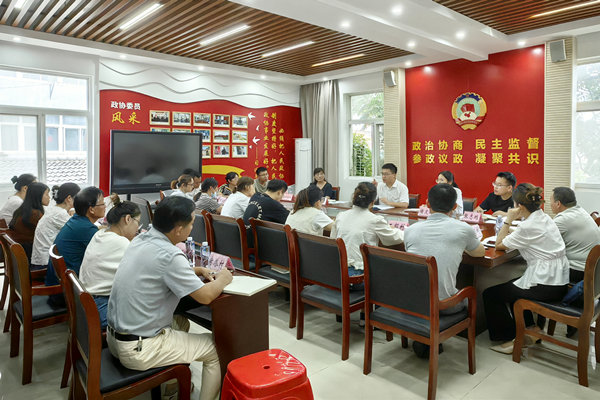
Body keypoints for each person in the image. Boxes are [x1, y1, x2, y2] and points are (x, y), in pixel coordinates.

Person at [106, 196, 232, 400]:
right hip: (139, 348)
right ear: (179, 229)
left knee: (180, 321)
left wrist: (197, 270)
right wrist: (224, 279)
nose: (193, 227)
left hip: (116, 339)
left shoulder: (140, 239)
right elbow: (206, 296)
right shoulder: (171, 255)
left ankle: (170, 388)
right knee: (216, 348)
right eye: (191, 223)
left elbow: (159, 269)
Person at [483, 183, 569, 354]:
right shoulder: (544, 217)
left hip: (546, 284)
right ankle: (531, 328)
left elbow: (499, 244)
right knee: (515, 286)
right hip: (558, 279)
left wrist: (508, 219)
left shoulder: (528, 227)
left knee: (491, 294)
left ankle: (512, 338)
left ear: (519, 206)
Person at [404, 183, 485, 357]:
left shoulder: (410, 230)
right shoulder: (463, 229)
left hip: (411, 301)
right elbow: (480, 253)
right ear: (455, 207)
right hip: (444, 306)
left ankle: (425, 336)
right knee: (470, 295)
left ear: (427, 204)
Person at [79, 194, 141, 329]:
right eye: (137, 222)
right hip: (100, 309)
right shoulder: (121, 243)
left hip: (86, 305)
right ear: (128, 219)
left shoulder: (100, 234)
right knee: (151, 312)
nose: (137, 228)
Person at [332, 182, 404, 276]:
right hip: (358, 273)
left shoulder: (341, 216)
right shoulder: (375, 220)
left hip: (337, 270)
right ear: (372, 203)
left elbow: (332, 238)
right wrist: (403, 231)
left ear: (354, 198)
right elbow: (394, 238)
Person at [45, 186, 105, 290]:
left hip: (61, 282)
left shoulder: (76, 220)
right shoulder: (86, 229)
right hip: (68, 290)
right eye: (102, 203)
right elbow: (104, 255)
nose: (105, 206)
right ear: (91, 209)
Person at [551, 187, 600, 283]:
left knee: (541, 265)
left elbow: (541, 240)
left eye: (551, 201)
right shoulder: (580, 211)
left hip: (580, 271)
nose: (550, 204)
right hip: (594, 269)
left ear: (558, 204)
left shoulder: (563, 219)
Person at [31, 183, 81, 270]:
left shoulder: (54, 209)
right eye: (78, 197)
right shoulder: (59, 214)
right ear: (69, 198)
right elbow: (79, 230)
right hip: (45, 264)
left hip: (41, 260)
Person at [8, 182, 50, 261]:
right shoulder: (35, 214)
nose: (49, 197)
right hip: (30, 254)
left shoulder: (23, 209)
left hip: (20, 253)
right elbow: (47, 233)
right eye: (47, 194)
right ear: (38, 195)